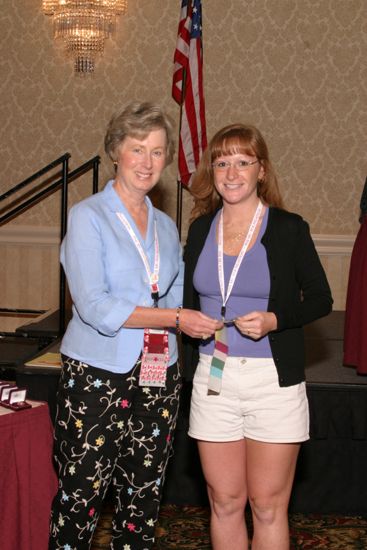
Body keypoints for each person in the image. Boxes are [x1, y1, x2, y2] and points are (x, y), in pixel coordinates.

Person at [49, 101, 220, 550]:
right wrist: (176, 319)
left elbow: (178, 294)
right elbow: (95, 307)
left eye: (158, 152)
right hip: (96, 376)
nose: (148, 162)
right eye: (137, 149)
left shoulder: (165, 226)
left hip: (158, 375)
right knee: (80, 497)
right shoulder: (88, 216)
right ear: (115, 151)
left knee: (143, 498)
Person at [182, 123, 333, 550]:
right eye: (222, 162)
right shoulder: (199, 231)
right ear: (212, 171)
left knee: (267, 507)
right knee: (225, 502)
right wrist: (186, 320)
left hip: (273, 383)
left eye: (243, 162)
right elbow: (187, 301)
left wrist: (274, 319)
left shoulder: (288, 228)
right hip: (213, 379)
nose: (232, 173)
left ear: (261, 170)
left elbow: (321, 298)